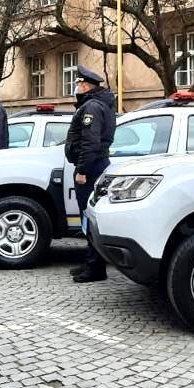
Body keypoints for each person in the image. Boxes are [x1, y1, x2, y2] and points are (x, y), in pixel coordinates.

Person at [64, 65, 116, 283]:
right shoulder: (96, 104)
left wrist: (83, 170)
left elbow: (90, 142)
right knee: (88, 217)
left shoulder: (92, 107)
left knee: (89, 217)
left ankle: (95, 268)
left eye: (77, 84)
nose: (75, 87)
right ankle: (90, 262)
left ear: (85, 85)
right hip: (95, 164)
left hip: (91, 168)